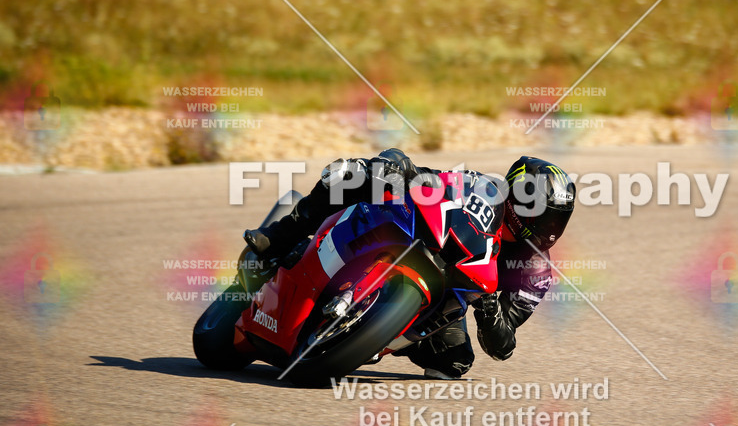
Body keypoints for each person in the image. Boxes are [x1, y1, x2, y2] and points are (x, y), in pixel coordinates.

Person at [244, 149, 576, 379]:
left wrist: (489, 309)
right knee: (362, 175)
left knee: (455, 362)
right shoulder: (481, 188)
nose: (548, 228)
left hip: (447, 297)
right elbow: (430, 181)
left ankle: (376, 332)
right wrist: (400, 167)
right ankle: (279, 237)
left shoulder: (535, 275)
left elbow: (503, 346)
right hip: (418, 241)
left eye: (555, 222)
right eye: (541, 215)